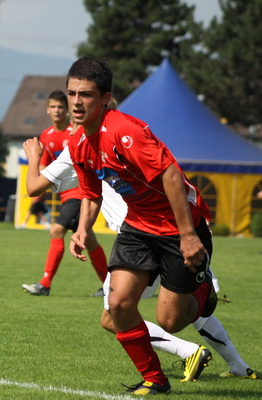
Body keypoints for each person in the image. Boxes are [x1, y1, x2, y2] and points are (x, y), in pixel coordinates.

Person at [24, 140, 258, 383]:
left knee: (114, 317)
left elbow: (35, 186)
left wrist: (34, 157)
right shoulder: (121, 138)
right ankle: (239, 366)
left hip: (138, 238)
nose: (74, 120)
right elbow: (166, 172)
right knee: (181, 308)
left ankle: (188, 351)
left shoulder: (80, 146)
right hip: (166, 229)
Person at [65, 57, 218, 394]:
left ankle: (204, 292)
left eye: (85, 94)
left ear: (105, 98)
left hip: (179, 227)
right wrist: (82, 230)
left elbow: (171, 175)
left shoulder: (124, 131)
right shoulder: (78, 144)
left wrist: (189, 235)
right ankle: (155, 380)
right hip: (137, 227)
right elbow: (91, 193)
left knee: (170, 321)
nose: (76, 101)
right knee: (118, 305)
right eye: (72, 93)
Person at [21, 90, 107, 297]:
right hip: (66, 195)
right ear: (47, 109)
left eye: (61, 107)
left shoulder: (76, 130)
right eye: (53, 107)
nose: (57, 110)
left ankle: (45, 283)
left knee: (57, 230)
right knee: (89, 240)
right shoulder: (46, 135)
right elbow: (43, 172)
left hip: (81, 193)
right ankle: (109, 286)